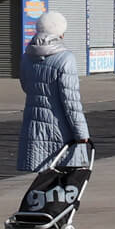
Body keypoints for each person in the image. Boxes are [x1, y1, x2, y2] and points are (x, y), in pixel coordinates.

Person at [17, 12, 90, 173]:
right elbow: (71, 101)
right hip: (61, 130)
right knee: (64, 182)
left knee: (44, 181)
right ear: (60, 32)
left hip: (34, 126)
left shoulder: (26, 57)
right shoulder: (65, 58)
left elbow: (26, 87)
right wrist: (82, 133)